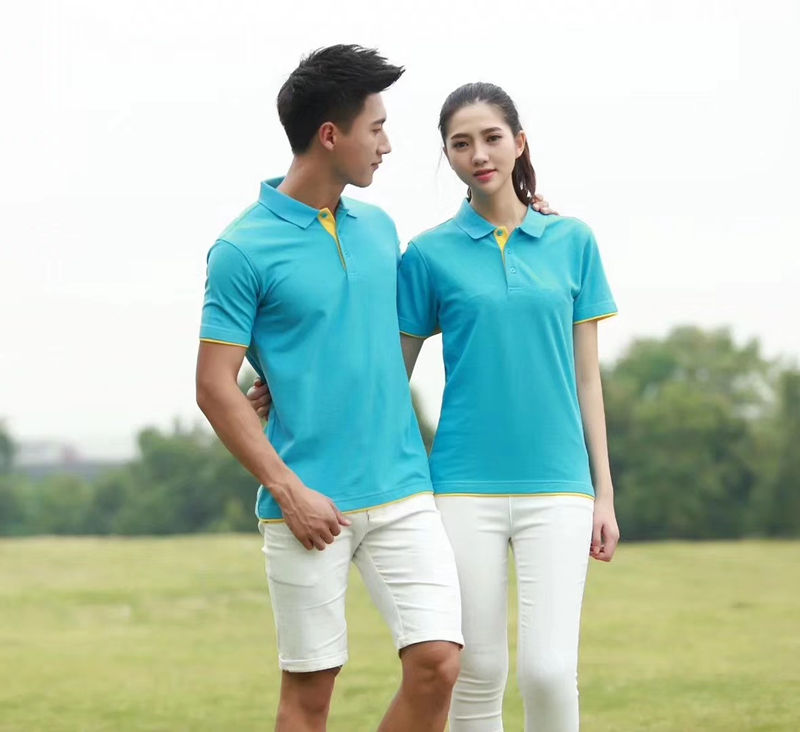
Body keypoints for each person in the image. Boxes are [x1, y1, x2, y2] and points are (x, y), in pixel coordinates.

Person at [196, 45, 464, 732]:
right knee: (310, 695)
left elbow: (362, 334)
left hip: (402, 487)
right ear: (329, 135)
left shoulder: (378, 229)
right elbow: (213, 385)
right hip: (306, 503)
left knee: (438, 663)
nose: (387, 145)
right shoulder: (242, 249)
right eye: (376, 127)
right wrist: (289, 490)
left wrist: (522, 208)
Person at [396, 83, 621, 731]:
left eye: (492, 138)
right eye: (460, 144)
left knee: (548, 671)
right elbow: (389, 376)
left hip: (560, 486)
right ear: (447, 155)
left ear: (519, 143)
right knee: (478, 670)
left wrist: (604, 494)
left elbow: (587, 381)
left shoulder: (573, 241)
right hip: (462, 487)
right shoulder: (428, 254)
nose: (479, 154)